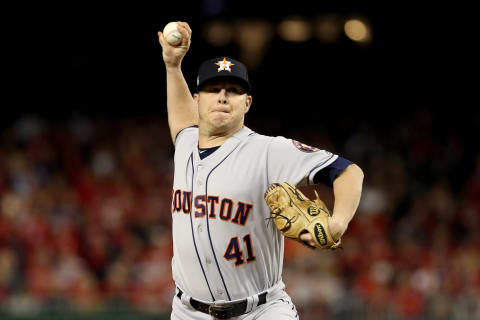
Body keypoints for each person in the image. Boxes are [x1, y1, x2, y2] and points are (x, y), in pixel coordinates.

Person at [158, 21, 364, 320]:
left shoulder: (269, 151)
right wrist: (173, 66)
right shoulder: (187, 143)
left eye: (233, 90)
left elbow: (349, 172)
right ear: (197, 100)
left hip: (260, 311)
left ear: (248, 103)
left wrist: (338, 221)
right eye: (213, 89)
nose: (223, 96)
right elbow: (180, 119)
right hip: (188, 312)